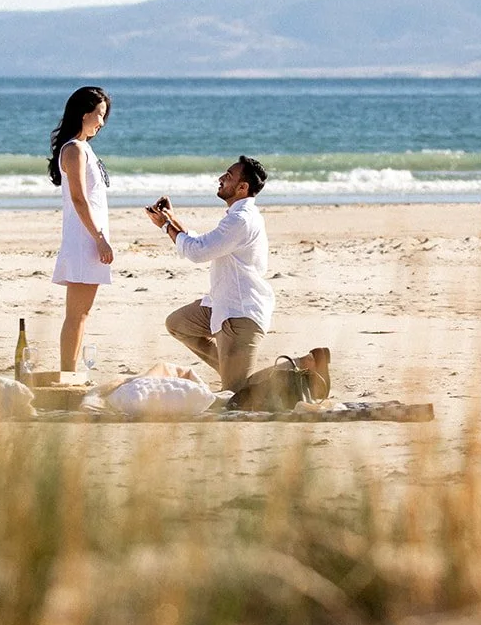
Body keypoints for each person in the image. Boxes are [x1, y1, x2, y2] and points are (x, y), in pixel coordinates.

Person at [146, 156, 330, 403]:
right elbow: (204, 244)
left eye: (229, 176)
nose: (221, 179)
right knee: (177, 323)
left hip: (239, 314)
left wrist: (165, 227)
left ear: (243, 188)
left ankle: (305, 363)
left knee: (237, 393)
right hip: (220, 306)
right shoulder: (238, 216)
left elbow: (198, 252)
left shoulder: (240, 219)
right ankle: (231, 364)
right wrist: (171, 220)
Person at [49, 86, 113, 371]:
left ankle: (71, 371)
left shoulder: (84, 148)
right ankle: (68, 373)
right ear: (84, 113)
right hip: (84, 240)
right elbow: (79, 198)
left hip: (89, 238)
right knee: (77, 314)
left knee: (82, 313)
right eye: (99, 114)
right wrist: (99, 238)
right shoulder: (74, 149)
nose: (102, 122)